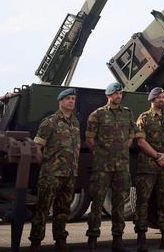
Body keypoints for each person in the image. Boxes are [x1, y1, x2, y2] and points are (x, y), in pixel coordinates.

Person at [84, 82, 136, 252]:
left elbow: (131, 135)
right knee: (97, 203)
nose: (118, 96)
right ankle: (92, 239)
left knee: (119, 203)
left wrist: (124, 148)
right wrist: (102, 154)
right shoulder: (97, 115)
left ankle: (118, 240)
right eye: (115, 94)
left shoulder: (128, 113)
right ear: (108, 96)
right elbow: (90, 140)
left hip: (121, 166)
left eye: (120, 93)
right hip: (102, 166)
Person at [29, 88, 81, 252]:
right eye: (68, 99)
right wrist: (45, 166)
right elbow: (37, 147)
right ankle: (35, 243)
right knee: (42, 209)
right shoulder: (49, 122)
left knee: (63, 210)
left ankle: (60, 241)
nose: (71, 101)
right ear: (60, 101)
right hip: (51, 175)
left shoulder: (75, 122)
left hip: (69, 174)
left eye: (73, 99)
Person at [135, 87, 164, 251]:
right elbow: (140, 141)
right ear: (152, 100)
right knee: (143, 202)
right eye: (159, 97)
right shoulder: (144, 118)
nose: (162, 99)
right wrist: (156, 156)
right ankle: (141, 238)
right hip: (148, 167)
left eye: (163, 96)